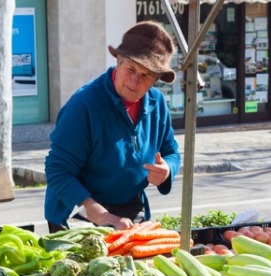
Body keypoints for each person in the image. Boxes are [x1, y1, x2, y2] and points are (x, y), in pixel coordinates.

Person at [44, 21, 181, 232]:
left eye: (146, 75)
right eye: (131, 68)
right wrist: (96, 211)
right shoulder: (83, 105)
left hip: (130, 206)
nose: (134, 81)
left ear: (157, 79)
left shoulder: (157, 103)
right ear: (118, 60)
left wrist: (167, 170)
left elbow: (171, 151)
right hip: (78, 209)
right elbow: (57, 170)